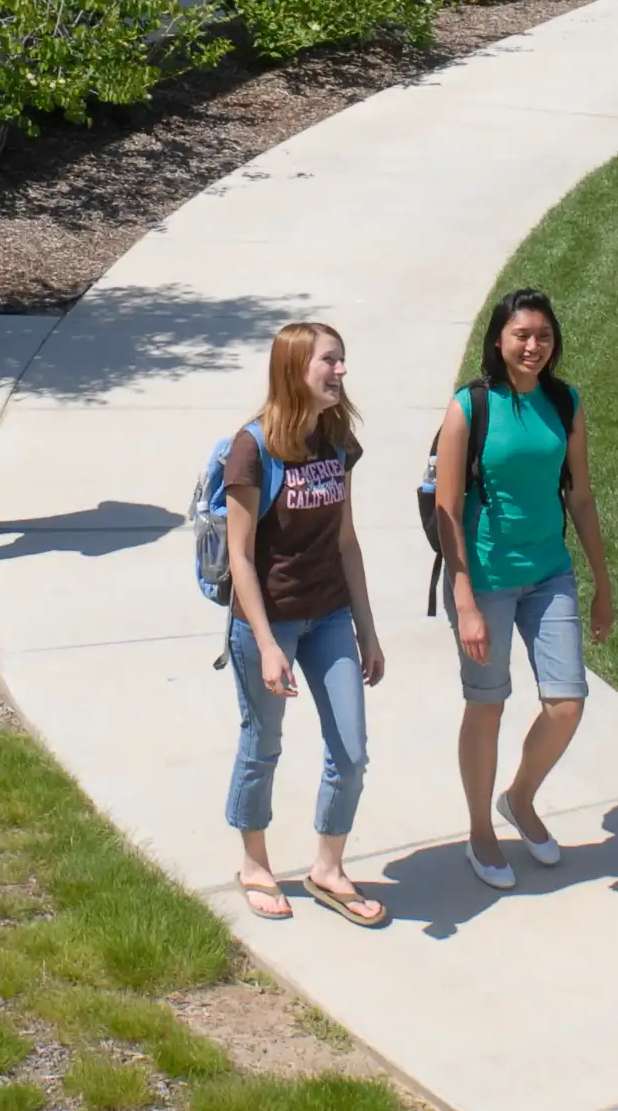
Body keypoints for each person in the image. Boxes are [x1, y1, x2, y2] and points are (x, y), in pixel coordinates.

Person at [434, 289, 613, 890]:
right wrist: (463, 601)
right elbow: (447, 509)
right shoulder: (470, 406)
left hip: (549, 571)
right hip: (484, 577)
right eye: (521, 335)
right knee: (487, 706)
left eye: (543, 334)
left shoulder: (565, 402)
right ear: (498, 340)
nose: (533, 346)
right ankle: (481, 830)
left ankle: (521, 798)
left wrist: (602, 584)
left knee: (566, 704)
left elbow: (580, 495)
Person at [223, 322, 386, 927]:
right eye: (330, 362)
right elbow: (240, 556)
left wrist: (367, 631)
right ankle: (254, 862)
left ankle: (328, 867)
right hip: (267, 622)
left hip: (331, 615)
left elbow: (346, 541)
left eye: (342, 361)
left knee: (351, 750)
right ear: (296, 368)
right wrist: (267, 645)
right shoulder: (253, 448)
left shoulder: (337, 441)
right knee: (263, 743)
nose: (341, 372)